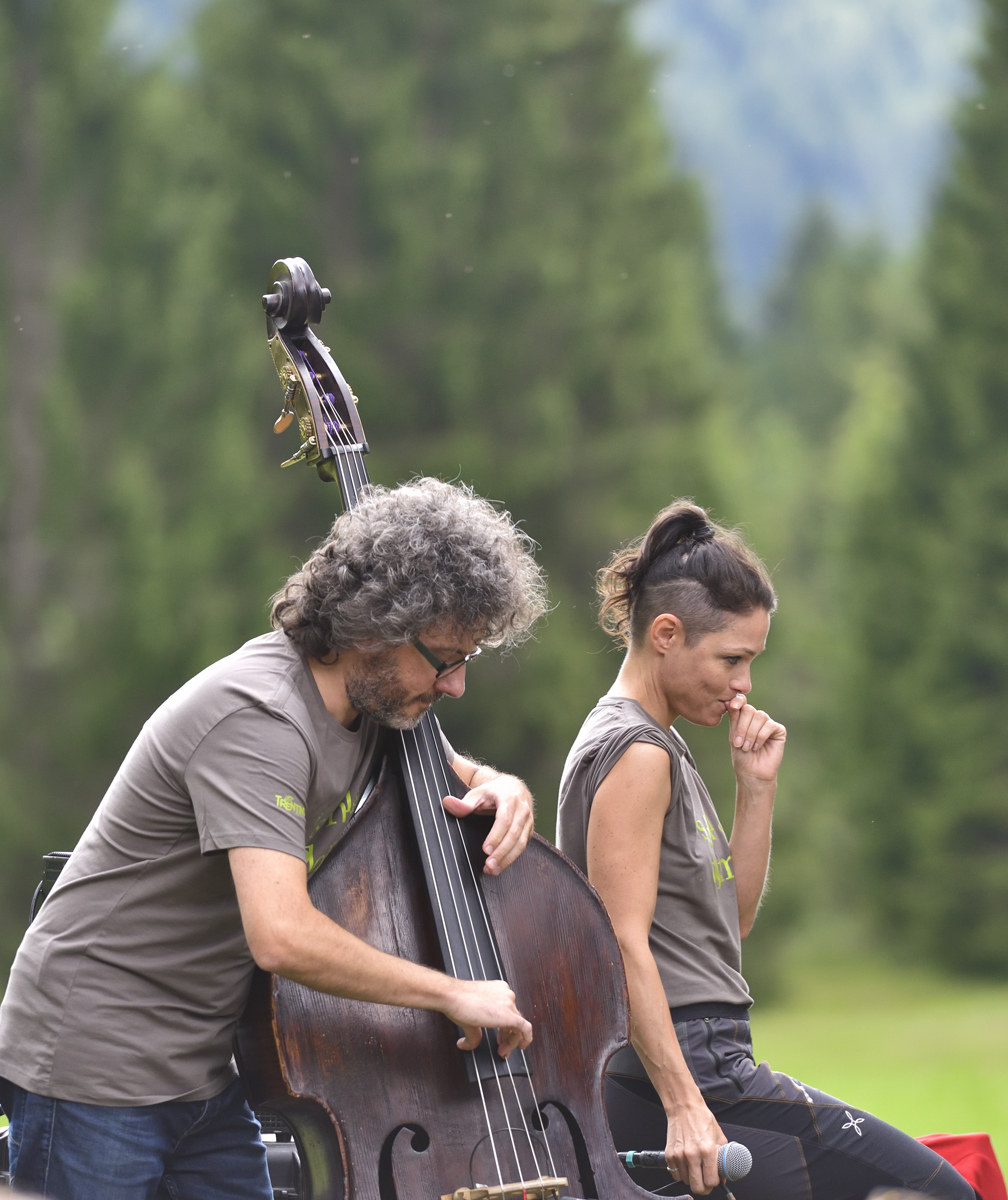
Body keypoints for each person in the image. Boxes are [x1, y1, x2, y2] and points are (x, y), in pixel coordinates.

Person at [0, 476, 549, 1200]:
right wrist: (451, 993)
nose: (455, 686)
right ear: (375, 629)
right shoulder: (259, 721)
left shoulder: (374, 704)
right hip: (93, 1064)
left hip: (201, 1072)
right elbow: (282, 936)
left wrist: (503, 785)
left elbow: (455, 772)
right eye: (445, 658)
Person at [556, 499, 974, 1200]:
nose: (744, 684)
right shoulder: (633, 752)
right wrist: (687, 1104)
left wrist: (756, 792)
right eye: (732, 659)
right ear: (666, 634)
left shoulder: (660, 745)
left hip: (697, 1061)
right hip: (693, 1071)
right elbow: (620, 945)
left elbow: (731, 925)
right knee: (941, 1191)